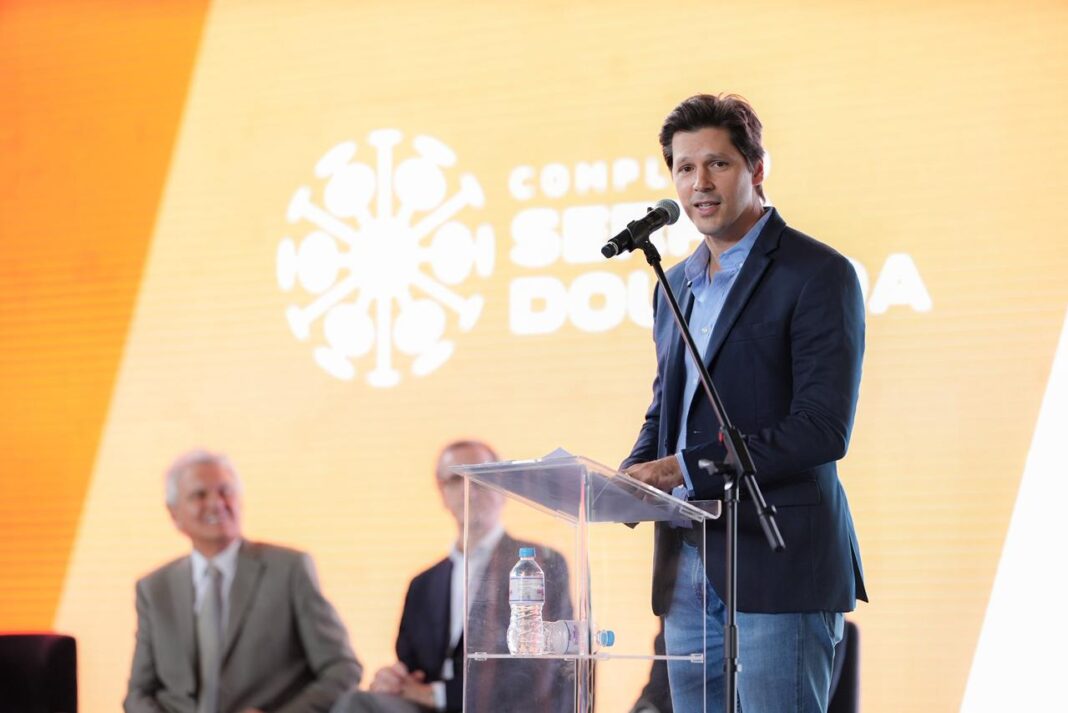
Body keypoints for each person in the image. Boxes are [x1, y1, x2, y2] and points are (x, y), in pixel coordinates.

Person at [621, 93, 867, 713]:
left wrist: (683, 467)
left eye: (718, 164)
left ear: (756, 169)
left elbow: (821, 428)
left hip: (779, 558)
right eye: (684, 168)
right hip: (687, 560)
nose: (699, 183)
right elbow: (668, 409)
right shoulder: (674, 286)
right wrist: (626, 477)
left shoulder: (817, 273)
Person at [332, 440, 572, 713]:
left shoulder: (538, 565)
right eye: (457, 479)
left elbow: (538, 668)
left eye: (483, 477)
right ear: (442, 492)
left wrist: (437, 695)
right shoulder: (423, 584)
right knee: (357, 703)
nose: (471, 489)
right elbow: (410, 667)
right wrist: (395, 679)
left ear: (503, 488)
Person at [124, 449, 362, 713]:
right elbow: (138, 693)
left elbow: (342, 669)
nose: (216, 503)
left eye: (226, 491)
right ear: (174, 514)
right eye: (199, 495)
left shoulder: (289, 570)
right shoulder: (154, 588)